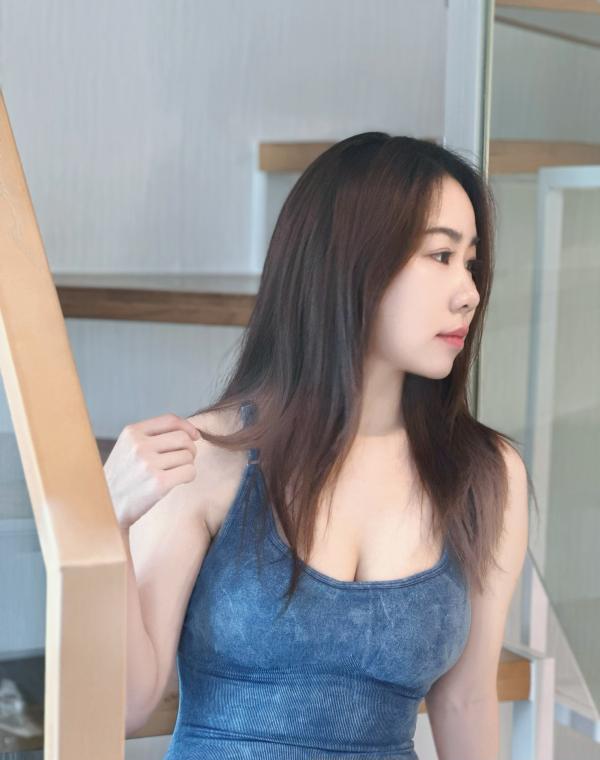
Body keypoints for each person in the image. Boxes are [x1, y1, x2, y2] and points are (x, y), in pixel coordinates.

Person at [105, 133, 536, 759]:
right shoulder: (208, 458)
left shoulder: (487, 476)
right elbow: (126, 705)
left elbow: (465, 700)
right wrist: (110, 525)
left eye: (471, 262)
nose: (469, 290)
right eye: (441, 255)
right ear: (351, 262)